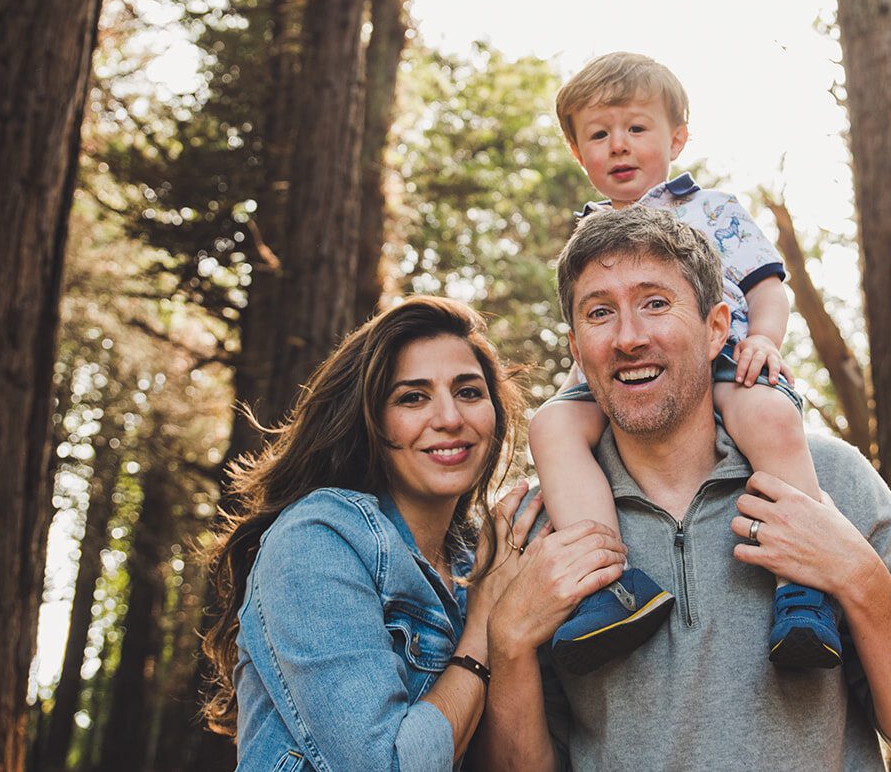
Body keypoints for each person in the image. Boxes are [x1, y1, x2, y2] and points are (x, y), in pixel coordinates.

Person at [475, 207, 891, 771]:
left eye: (656, 303)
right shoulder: (538, 528)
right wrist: (510, 643)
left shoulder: (830, 480)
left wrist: (858, 577)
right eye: (600, 313)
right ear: (576, 347)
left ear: (717, 328)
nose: (628, 337)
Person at [200, 296, 625, 771]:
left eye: (468, 392)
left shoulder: (484, 555)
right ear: (369, 419)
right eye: (412, 397)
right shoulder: (318, 540)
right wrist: (486, 625)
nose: (449, 418)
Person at [529, 51, 842, 673]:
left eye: (636, 128)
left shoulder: (714, 210)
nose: (619, 146)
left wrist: (768, 342)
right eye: (598, 134)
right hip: (623, 374)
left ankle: (804, 586)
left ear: (676, 138)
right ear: (578, 152)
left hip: (725, 360)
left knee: (772, 420)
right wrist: (568, 406)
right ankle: (610, 587)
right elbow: (593, 329)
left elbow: (766, 287)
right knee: (550, 427)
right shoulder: (587, 236)